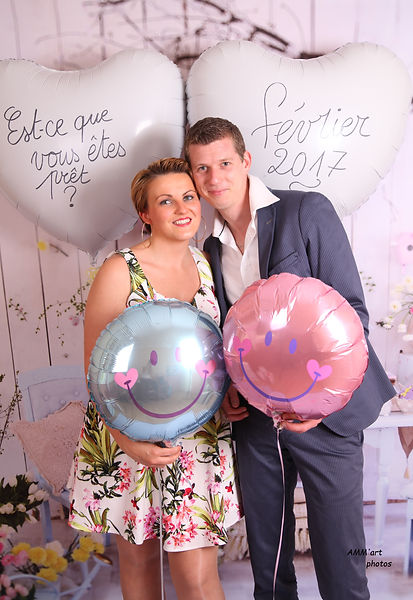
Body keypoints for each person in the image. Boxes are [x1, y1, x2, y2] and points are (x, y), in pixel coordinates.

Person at [184, 117, 395, 600]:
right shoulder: (208, 246)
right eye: (202, 168)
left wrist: (318, 403)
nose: (214, 178)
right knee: (270, 567)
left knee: (343, 569)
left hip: (328, 417)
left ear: (245, 161)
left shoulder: (305, 211)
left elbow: (351, 316)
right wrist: (229, 387)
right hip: (258, 421)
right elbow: (231, 337)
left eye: (224, 163)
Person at [68, 157, 241, 600]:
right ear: (145, 214)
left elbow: (213, 353)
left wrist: (226, 394)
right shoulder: (120, 269)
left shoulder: (207, 265)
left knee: (197, 573)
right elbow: (95, 369)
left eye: (188, 196)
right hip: (128, 432)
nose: (182, 208)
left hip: (198, 438)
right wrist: (126, 441)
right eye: (165, 201)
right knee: (140, 562)